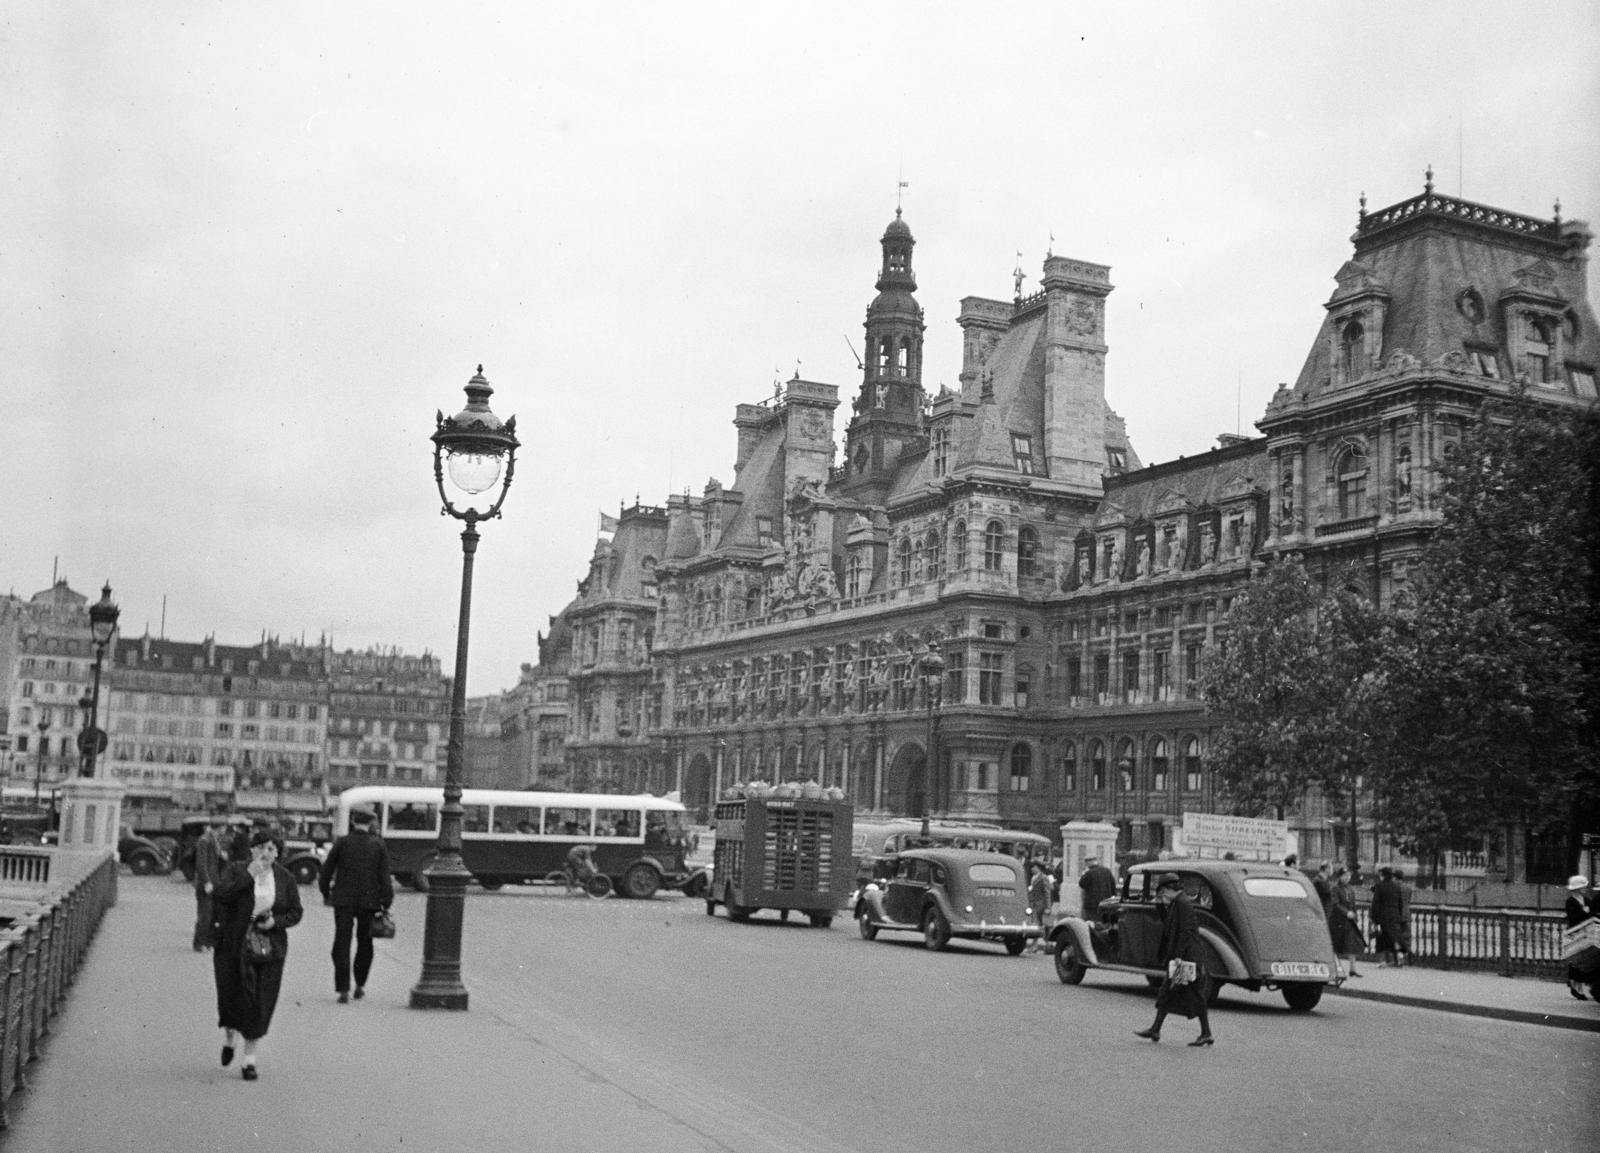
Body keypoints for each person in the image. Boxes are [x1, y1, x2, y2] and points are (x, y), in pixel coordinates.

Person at [210, 829, 302, 1081]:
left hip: (269, 947)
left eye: (272, 849)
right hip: (234, 944)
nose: (265, 853)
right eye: (260, 847)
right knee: (232, 997)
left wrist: (276, 922)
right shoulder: (236, 869)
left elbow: (296, 912)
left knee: (260, 1001)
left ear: (278, 854)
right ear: (251, 850)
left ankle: (249, 1061)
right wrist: (248, 875)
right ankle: (230, 1037)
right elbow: (221, 895)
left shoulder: (285, 878)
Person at [318, 808, 394, 1004]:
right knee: (365, 943)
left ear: (353, 821)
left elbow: (326, 872)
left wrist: (326, 893)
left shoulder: (342, 843)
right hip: (369, 902)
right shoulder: (378, 845)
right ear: (370, 824)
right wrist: (386, 902)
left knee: (341, 942)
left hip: (343, 900)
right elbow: (385, 879)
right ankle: (360, 985)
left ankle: (343, 989)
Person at [1134, 873, 1214, 1047]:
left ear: (1170, 889)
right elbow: (1169, 925)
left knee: (1190, 993)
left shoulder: (1183, 904)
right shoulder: (1177, 903)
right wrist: (1160, 908)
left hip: (1186, 957)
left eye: (1163, 892)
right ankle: (1156, 1029)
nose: (1162, 895)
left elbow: (1185, 932)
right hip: (1183, 956)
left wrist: (1178, 957)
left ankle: (1206, 1033)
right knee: (1169, 991)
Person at [191, 815, 228, 952]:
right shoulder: (204, 841)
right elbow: (201, 864)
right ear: (220, 828)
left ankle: (207, 942)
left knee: (212, 914)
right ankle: (198, 943)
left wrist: (221, 855)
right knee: (205, 915)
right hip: (206, 883)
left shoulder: (212, 840)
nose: (225, 830)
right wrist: (206, 881)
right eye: (224, 827)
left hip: (214, 882)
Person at [1328, 865, 1366, 978]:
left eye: (1348, 875)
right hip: (1338, 921)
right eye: (1344, 876)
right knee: (1335, 946)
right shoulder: (1335, 889)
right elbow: (1335, 904)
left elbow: (1353, 904)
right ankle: (1334, 970)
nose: (1347, 878)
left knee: (1352, 945)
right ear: (1339, 877)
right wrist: (1346, 913)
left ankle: (1352, 969)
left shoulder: (1350, 889)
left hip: (1349, 922)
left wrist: (1355, 916)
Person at [1564, 875, 1593, 1000]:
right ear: (1577, 889)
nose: (1585, 889)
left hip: (1586, 933)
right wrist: (1585, 912)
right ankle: (1576, 987)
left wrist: (1587, 912)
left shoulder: (1585, 899)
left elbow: (1592, 912)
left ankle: (1577, 984)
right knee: (1576, 959)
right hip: (1575, 934)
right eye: (1583, 887)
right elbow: (1573, 918)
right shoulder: (1570, 901)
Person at [1369, 867, 1405, 966]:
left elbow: (1375, 903)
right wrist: (1399, 916)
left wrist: (1373, 918)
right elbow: (1400, 903)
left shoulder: (1380, 886)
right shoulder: (1397, 887)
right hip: (1395, 915)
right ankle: (1399, 957)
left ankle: (1383, 961)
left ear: (1383, 875)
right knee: (1395, 937)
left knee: (1382, 938)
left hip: (1383, 916)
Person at [1025, 860, 1053, 953]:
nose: (1032, 869)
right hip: (1033, 904)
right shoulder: (1034, 877)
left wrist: (1048, 907)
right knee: (1038, 926)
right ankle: (1038, 945)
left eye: (1033, 867)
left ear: (1038, 868)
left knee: (1040, 926)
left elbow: (1047, 893)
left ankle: (1040, 945)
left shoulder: (1043, 878)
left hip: (1040, 905)